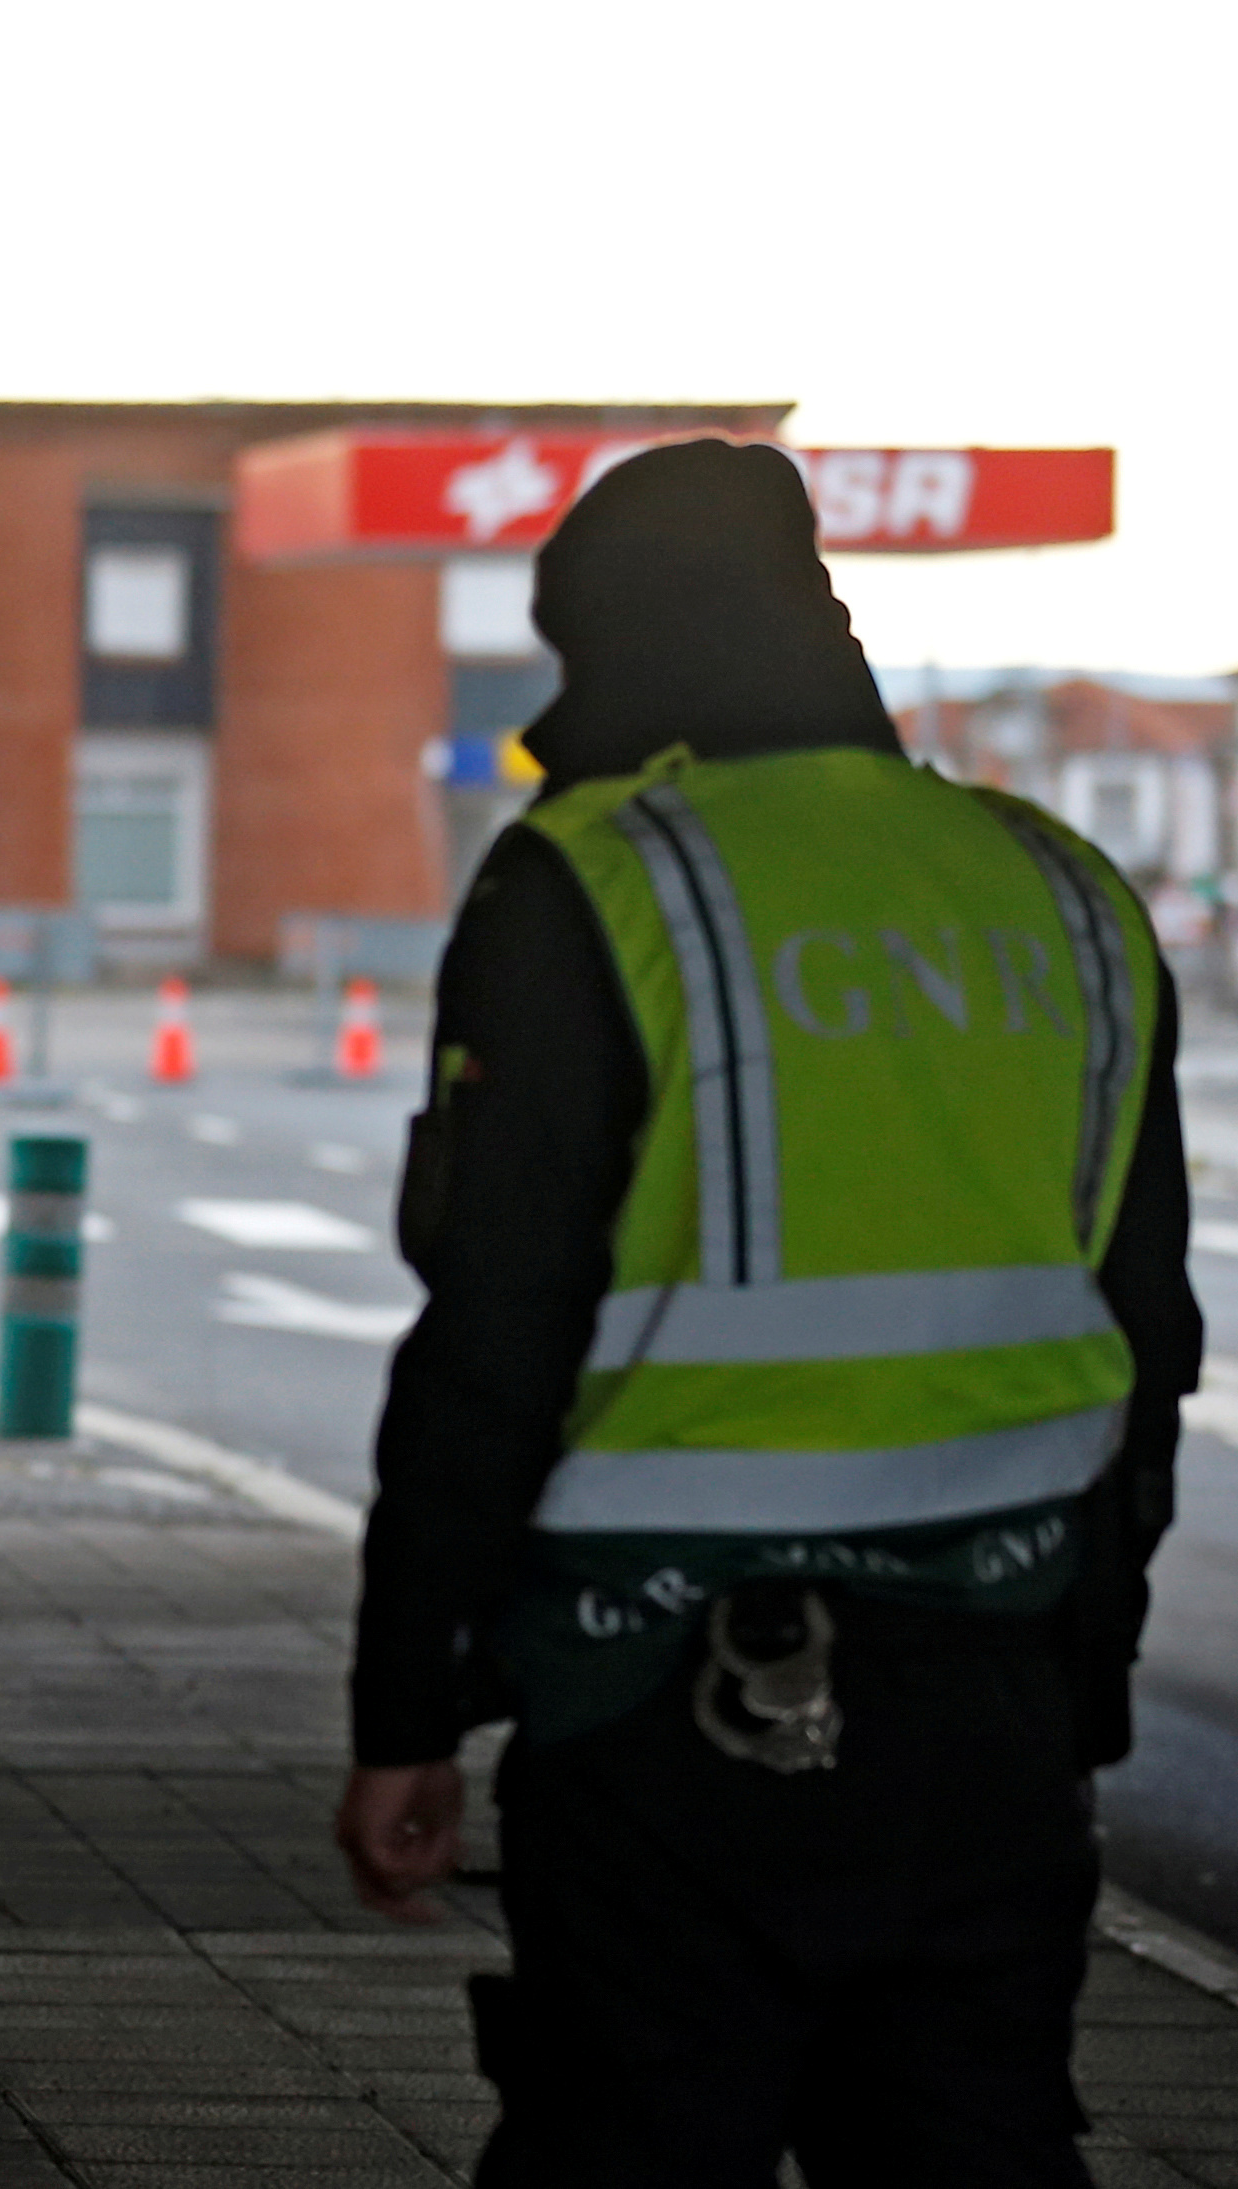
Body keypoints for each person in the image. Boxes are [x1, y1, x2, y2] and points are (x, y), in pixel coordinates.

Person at [332, 439, 1199, 2187]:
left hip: (669, 1701)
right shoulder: (1061, 891)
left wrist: (406, 1705)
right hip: (996, 1708)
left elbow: (495, 1332)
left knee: (635, 2143)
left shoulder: (589, 876)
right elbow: (1144, 1338)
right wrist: (1078, 1678)